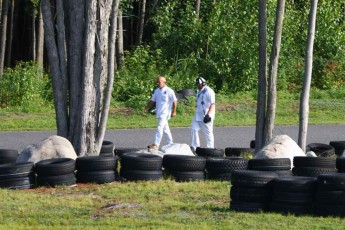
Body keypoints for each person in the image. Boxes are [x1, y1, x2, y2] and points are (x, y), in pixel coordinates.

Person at [143, 76, 177, 150]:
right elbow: (152, 101)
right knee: (165, 129)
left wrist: (174, 111)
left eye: (159, 82)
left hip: (165, 113)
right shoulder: (157, 91)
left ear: (164, 82)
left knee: (160, 128)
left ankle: (156, 144)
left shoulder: (169, 91)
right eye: (157, 82)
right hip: (159, 112)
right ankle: (170, 143)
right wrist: (146, 108)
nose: (158, 83)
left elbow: (175, 101)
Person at [191, 77, 216, 151]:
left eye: (198, 84)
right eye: (197, 85)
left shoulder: (209, 91)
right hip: (198, 115)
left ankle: (210, 148)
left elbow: (212, 104)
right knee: (193, 129)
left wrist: (208, 115)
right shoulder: (199, 91)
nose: (197, 86)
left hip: (206, 115)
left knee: (208, 133)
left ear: (203, 83)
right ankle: (195, 148)